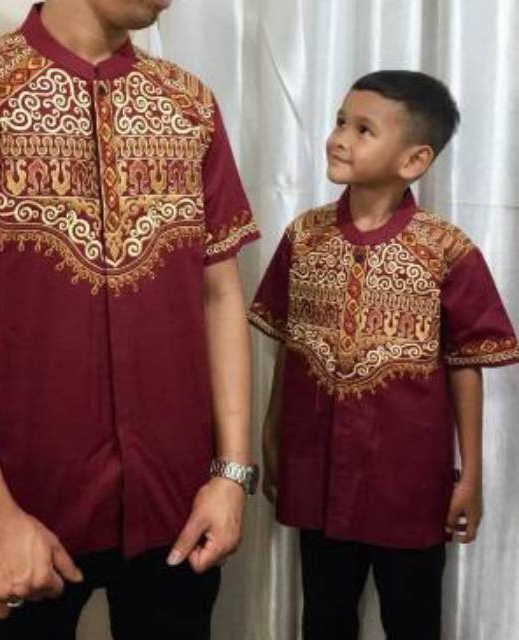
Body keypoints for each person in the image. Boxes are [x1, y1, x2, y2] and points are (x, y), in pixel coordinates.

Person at [0, 1, 261, 638]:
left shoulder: (190, 104)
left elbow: (219, 295)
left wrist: (231, 474)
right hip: (21, 510)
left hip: (178, 505)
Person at [248, 70, 519, 640]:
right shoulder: (304, 237)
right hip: (317, 473)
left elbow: (465, 363)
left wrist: (471, 475)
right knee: (324, 616)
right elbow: (290, 343)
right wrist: (272, 432)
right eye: (340, 122)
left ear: (414, 160)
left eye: (363, 129)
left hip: (406, 483)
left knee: (412, 619)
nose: (339, 138)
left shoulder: (446, 249)